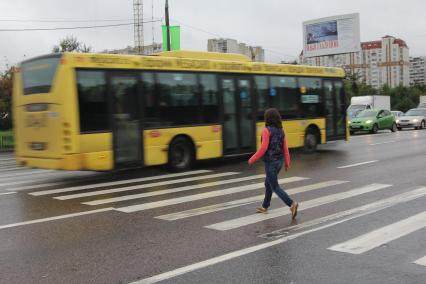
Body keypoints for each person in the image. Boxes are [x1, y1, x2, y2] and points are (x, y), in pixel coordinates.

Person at [248, 108, 299, 219]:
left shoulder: (266, 130)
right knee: (268, 183)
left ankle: (291, 204)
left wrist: (252, 159)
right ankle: (265, 206)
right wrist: (287, 162)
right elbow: (285, 148)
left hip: (270, 163)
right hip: (279, 163)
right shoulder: (281, 131)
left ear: (268, 118)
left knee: (274, 186)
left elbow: (263, 148)